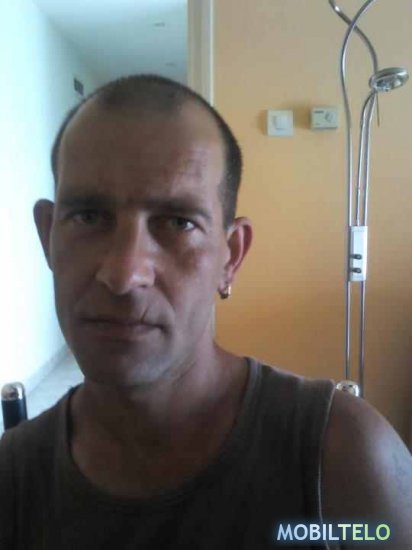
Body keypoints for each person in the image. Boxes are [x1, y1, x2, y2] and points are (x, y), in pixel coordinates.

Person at [0, 74, 411, 550]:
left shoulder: (342, 458)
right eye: (89, 217)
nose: (125, 274)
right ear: (48, 235)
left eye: (178, 222)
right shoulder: (11, 480)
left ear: (230, 256)